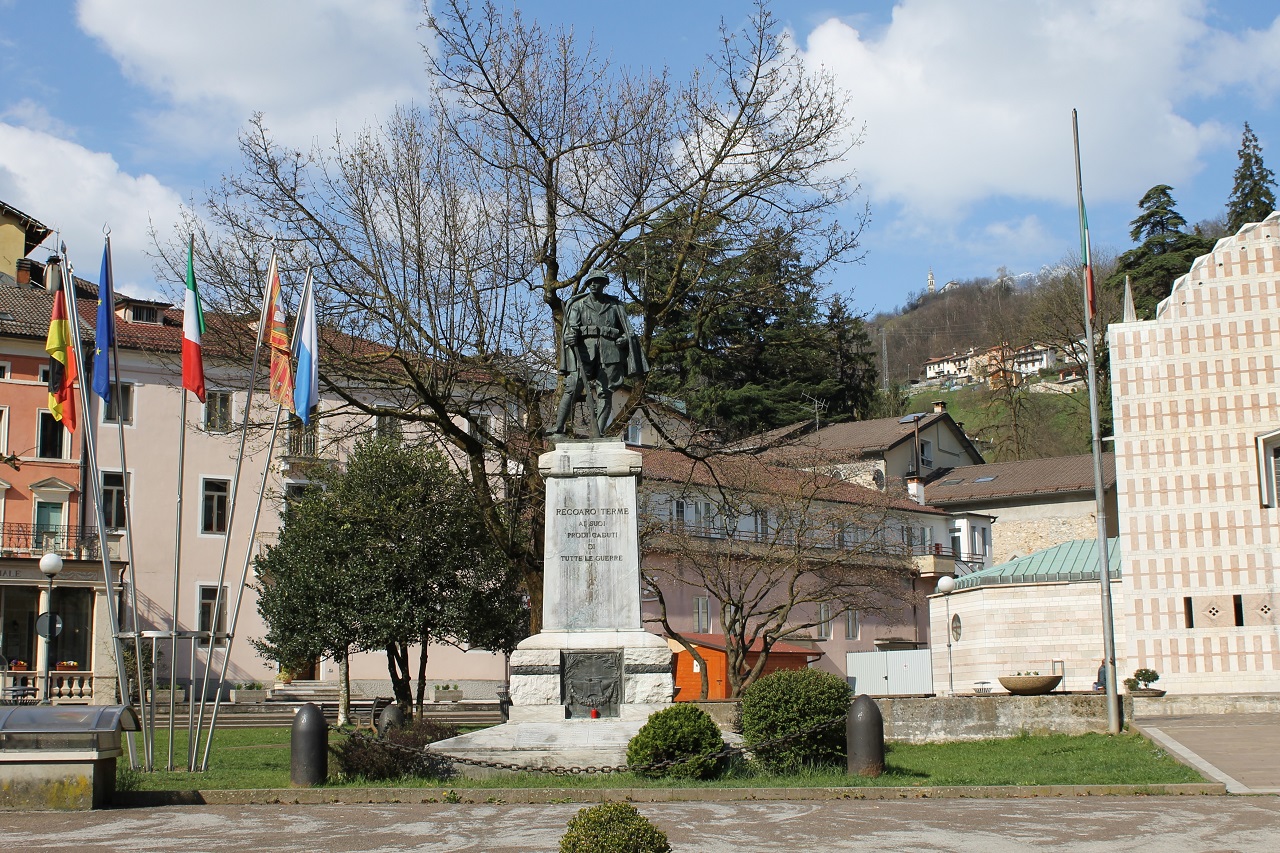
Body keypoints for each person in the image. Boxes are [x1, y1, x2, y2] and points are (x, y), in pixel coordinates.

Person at [551, 269, 647, 437]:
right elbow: (569, 330)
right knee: (573, 386)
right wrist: (570, 337)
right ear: (588, 285)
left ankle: (599, 433)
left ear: (604, 284)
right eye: (591, 282)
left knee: (605, 391)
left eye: (598, 281)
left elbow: (629, 331)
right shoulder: (578, 304)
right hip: (584, 352)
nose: (594, 284)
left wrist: (624, 339)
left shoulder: (615, 305)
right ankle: (558, 427)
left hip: (610, 352)